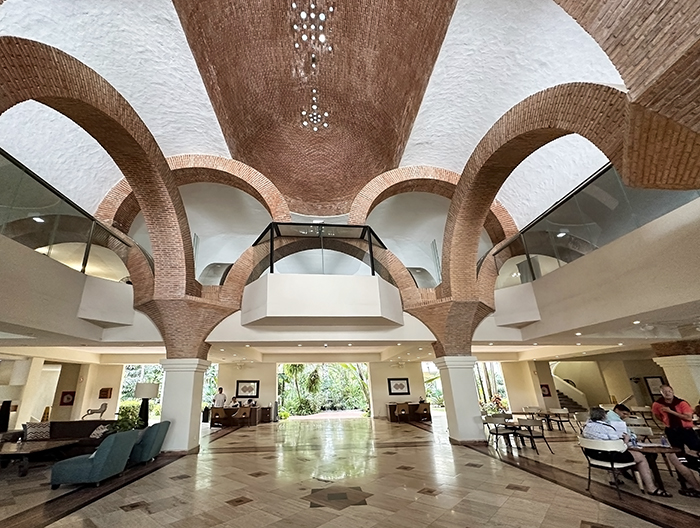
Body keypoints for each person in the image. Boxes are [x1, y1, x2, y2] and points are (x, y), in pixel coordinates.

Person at [582, 407, 671, 497]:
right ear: (603, 416)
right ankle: (651, 488)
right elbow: (620, 448)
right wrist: (626, 440)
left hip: (594, 455)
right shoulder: (608, 428)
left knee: (633, 456)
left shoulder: (586, 427)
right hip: (608, 456)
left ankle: (620, 476)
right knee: (640, 457)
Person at [652, 385, 700, 496]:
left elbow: (688, 417)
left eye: (669, 391)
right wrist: (666, 421)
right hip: (672, 430)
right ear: (662, 393)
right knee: (678, 455)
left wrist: (670, 412)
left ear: (673, 391)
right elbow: (657, 416)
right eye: (665, 392)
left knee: (696, 450)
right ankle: (684, 479)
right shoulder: (658, 404)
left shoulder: (682, 403)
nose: (668, 393)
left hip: (686, 430)